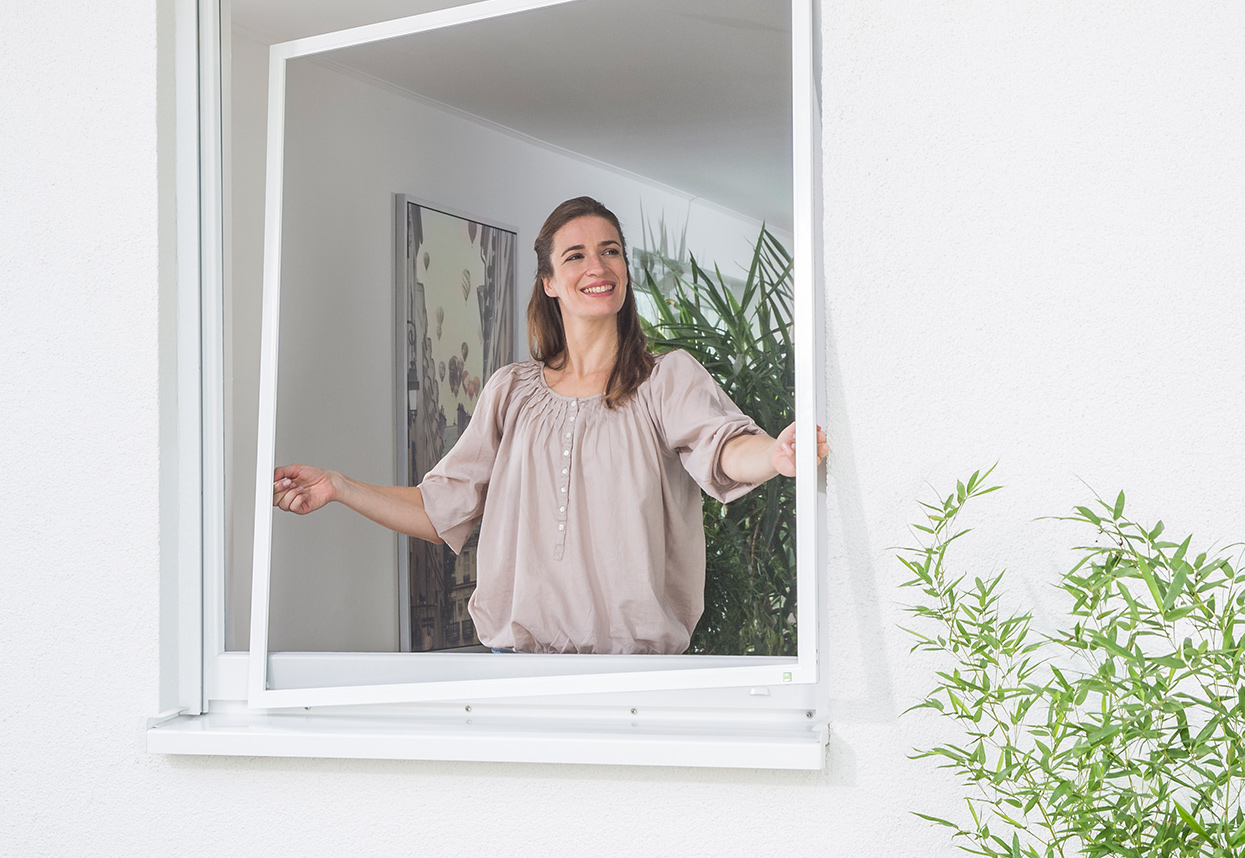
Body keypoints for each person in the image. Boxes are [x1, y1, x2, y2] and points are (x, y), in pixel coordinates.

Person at [273, 196, 827, 654]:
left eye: (610, 252)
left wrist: (775, 455)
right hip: (513, 668)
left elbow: (723, 447)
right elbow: (440, 507)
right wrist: (341, 488)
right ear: (550, 283)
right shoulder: (510, 392)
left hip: (632, 677)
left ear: (625, 273)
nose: (598, 267)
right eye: (577, 256)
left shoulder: (666, 380)